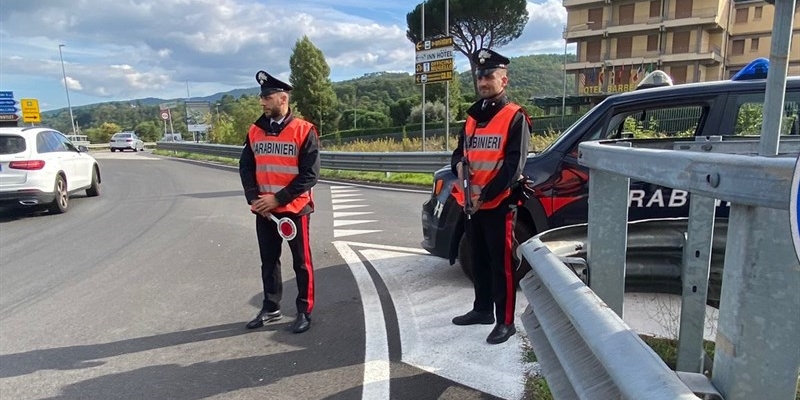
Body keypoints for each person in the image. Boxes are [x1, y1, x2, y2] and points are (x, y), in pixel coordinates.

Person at [450, 48, 532, 345]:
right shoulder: (472, 117)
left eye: (490, 76)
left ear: (504, 80)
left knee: (503, 266)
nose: (483, 81)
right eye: (480, 76)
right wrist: (458, 166)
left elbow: (513, 166)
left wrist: (486, 194)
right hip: (472, 204)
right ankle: (482, 309)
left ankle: (506, 322)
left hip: (498, 204)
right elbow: (459, 154)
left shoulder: (515, 116)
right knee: (478, 259)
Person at [239, 70, 321, 334]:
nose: (262, 102)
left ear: (283, 98)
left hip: (295, 209)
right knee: (269, 261)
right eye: (261, 97)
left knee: (301, 263)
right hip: (265, 212)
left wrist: (277, 198)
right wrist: (254, 199)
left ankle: (304, 311)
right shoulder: (254, 130)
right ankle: (271, 308)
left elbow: (310, 175)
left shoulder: (304, 130)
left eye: (267, 97)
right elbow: (246, 167)